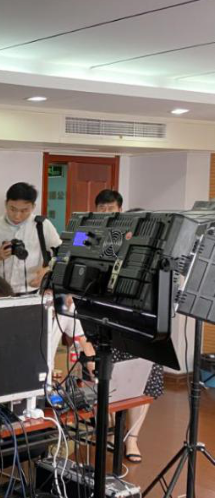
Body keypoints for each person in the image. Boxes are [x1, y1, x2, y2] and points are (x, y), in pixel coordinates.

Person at [93, 191, 162, 464]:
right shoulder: (108, 245)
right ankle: (112, 431)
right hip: (111, 320)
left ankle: (132, 438)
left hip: (144, 323)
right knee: (109, 378)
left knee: (144, 382)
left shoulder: (157, 252)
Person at [0, 182, 62, 294]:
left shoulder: (42, 225)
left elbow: (63, 255)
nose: (17, 215)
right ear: (6, 204)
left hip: (33, 293)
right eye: (12, 209)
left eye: (24, 210)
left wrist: (48, 270)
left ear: (33, 207)